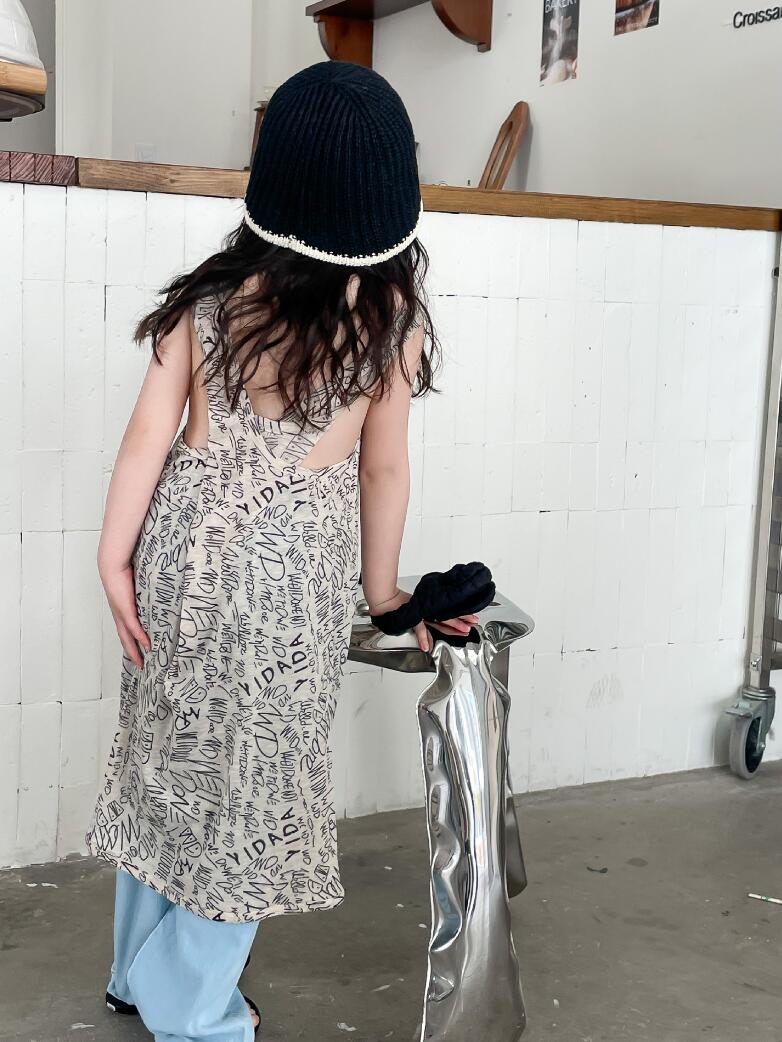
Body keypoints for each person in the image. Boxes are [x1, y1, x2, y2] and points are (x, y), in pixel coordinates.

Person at [86, 61, 478, 1042]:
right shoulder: (389, 325)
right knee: (252, 795)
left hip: (180, 559)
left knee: (171, 766)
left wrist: (113, 558)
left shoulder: (209, 300)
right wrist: (383, 592)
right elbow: (382, 471)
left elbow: (145, 440)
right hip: (286, 584)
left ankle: (135, 971)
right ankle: (192, 1008)